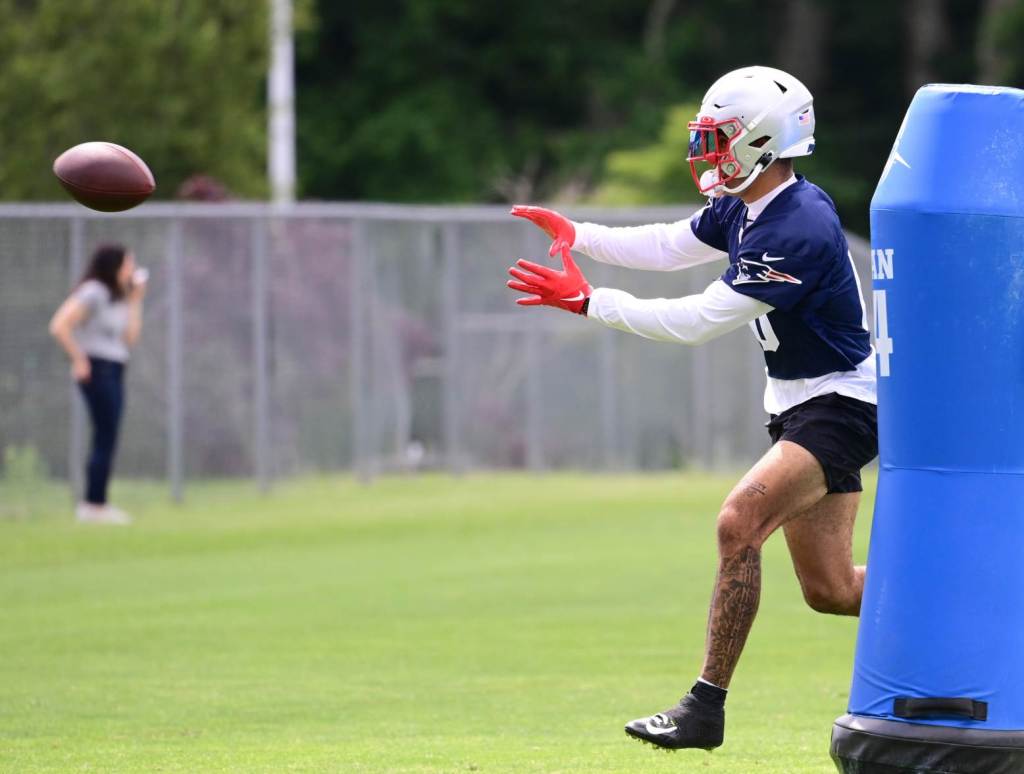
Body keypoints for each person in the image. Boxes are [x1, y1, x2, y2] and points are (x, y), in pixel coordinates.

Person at [508, 66, 877, 751]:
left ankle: (704, 709)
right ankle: (970, 601)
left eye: (721, 138)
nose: (708, 152)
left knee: (740, 522)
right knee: (830, 590)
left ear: (765, 139)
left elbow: (698, 319)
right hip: (801, 403)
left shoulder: (798, 225)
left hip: (844, 401)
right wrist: (578, 233)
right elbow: (670, 245)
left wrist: (589, 300)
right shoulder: (748, 202)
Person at [49, 244, 148, 525]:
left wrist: (135, 299)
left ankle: (97, 502)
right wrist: (79, 359)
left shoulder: (118, 298)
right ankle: (93, 504)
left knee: (108, 435)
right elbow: (59, 325)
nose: (132, 269)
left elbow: (129, 339)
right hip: (98, 369)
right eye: (129, 264)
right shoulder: (94, 291)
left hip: (115, 368)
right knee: (105, 435)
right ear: (114, 266)